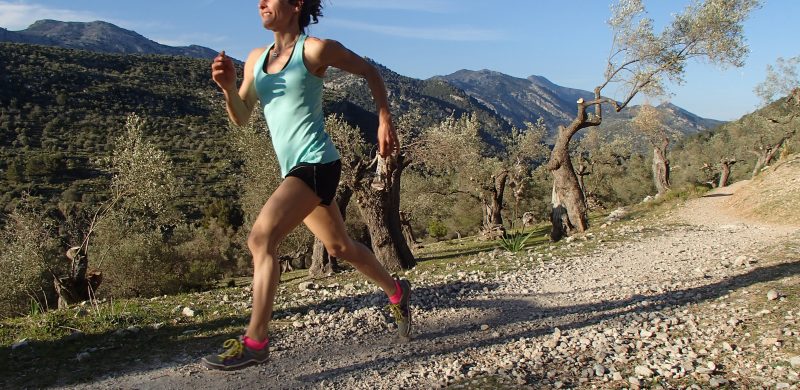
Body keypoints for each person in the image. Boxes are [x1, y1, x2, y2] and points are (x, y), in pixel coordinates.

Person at [201, 0, 412, 371]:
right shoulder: (255, 58)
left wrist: (383, 119)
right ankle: (397, 292)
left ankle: (256, 341)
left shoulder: (314, 49)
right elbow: (242, 116)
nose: (261, 3)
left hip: (316, 163)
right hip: (295, 170)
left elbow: (370, 72)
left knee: (261, 239)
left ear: (296, 4)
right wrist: (227, 88)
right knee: (340, 246)